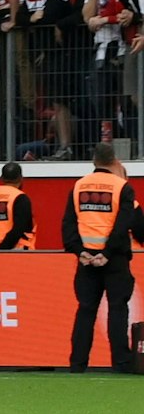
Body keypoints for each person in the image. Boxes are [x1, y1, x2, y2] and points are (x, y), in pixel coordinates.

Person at [64, 142, 144, 372]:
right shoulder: (122, 187)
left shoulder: (78, 186)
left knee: (85, 311)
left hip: (86, 260)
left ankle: (77, 364)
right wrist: (107, 253)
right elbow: (122, 225)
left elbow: (69, 223)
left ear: (94, 161)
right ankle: (121, 363)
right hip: (114, 259)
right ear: (114, 161)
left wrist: (79, 251)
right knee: (117, 309)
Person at [0, 162, 35, 250]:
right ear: (21, 178)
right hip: (18, 253)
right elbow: (19, 229)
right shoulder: (20, 198)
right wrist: (2, 250)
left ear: (1, 178)